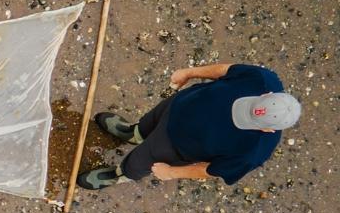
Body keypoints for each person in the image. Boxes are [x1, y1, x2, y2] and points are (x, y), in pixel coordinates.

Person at [78, 63, 300, 189]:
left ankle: (119, 174)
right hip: (178, 106)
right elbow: (226, 70)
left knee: (138, 162)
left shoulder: (253, 153)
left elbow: (210, 170)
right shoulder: (262, 78)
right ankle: (133, 133)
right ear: (268, 94)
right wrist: (190, 72)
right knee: (147, 124)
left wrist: (172, 172)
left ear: (269, 130)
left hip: (175, 146)